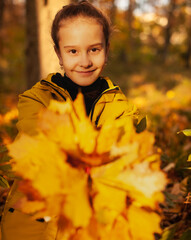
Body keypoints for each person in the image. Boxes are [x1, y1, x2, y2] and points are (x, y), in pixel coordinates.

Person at [1, 1, 142, 239]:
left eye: (94, 50)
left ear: (106, 50)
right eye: (73, 51)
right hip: (36, 225)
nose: (84, 61)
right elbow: (37, 138)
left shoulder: (120, 107)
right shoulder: (37, 99)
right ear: (59, 53)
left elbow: (121, 151)